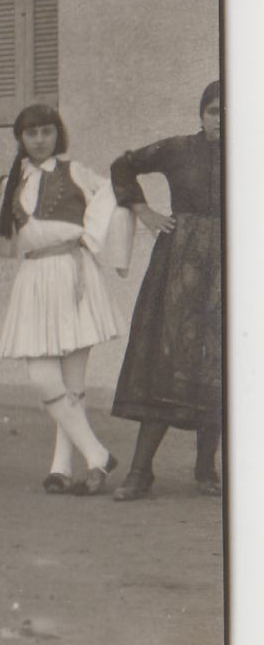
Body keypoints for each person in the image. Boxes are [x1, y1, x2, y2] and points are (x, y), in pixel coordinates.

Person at [0, 103, 133, 496]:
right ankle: (97, 454)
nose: (40, 140)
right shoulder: (11, 182)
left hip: (72, 273)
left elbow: (116, 193)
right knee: (44, 377)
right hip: (34, 278)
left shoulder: (74, 171)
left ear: (57, 134)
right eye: (31, 133)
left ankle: (61, 467)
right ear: (20, 139)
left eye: (46, 132)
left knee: (73, 383)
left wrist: (99, 240)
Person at [109, 80, 223, 500]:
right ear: (201, 114)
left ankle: (205, 470)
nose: (221, 120)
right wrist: (143, 210)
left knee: (219, 363)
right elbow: (123, 166)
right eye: (214, 111)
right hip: (179, 266)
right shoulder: (177, 149)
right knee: (164, 357)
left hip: (228, 269)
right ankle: (140, 471)